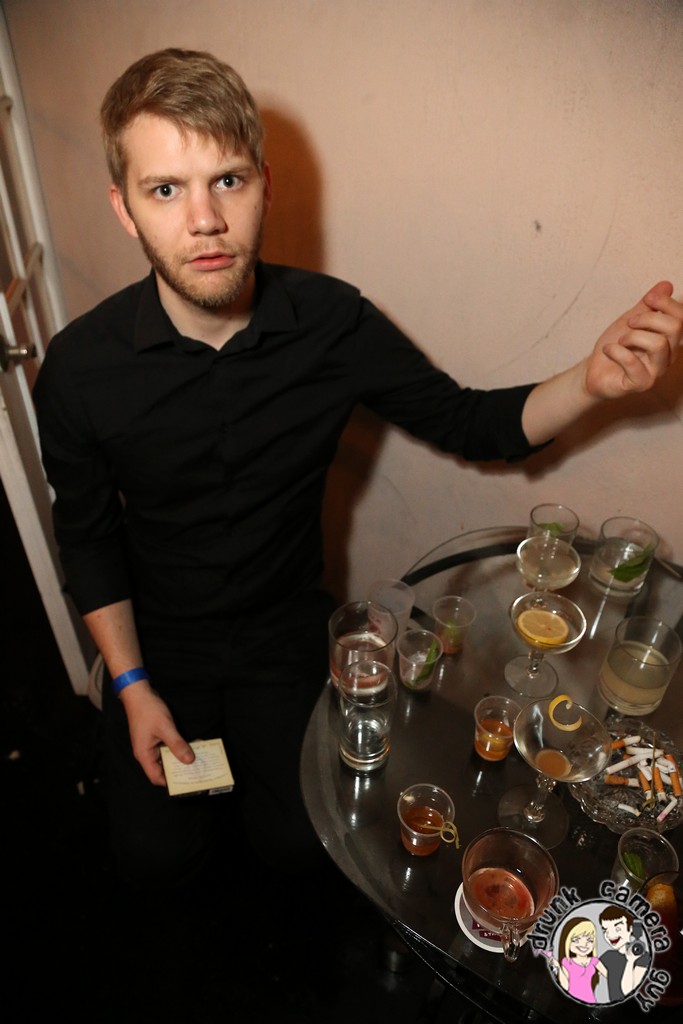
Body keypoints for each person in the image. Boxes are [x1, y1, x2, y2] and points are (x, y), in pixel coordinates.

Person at [33, 48, 683, 897]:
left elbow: (471, 422)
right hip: (156, 638)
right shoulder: (79, 368)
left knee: (303, 849)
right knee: (155, 858)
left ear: (264, 185)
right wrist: (129, 685)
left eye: (227, 180)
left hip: (281, 629)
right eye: (165, 190)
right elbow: (86, 537)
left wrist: (592, 381)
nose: (204, 220)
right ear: (124, 207)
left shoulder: (332, 323)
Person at [550, 916, 608, 1003]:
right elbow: (565, 986)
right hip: (570, 1001)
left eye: (589, 940)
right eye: (576, 940)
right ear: (567, 941)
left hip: (590, 1001)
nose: (584, 944)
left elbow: (610, 977)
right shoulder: (567, 962)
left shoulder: (594, 961)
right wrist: (558, 967)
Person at [599, 906, 650, 1001]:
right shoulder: (608, 956)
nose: (610, 935)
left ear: (630, 929)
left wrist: (630, 961)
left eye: (617, 929)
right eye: (605, 930)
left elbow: (627, 991)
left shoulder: (643, 957)